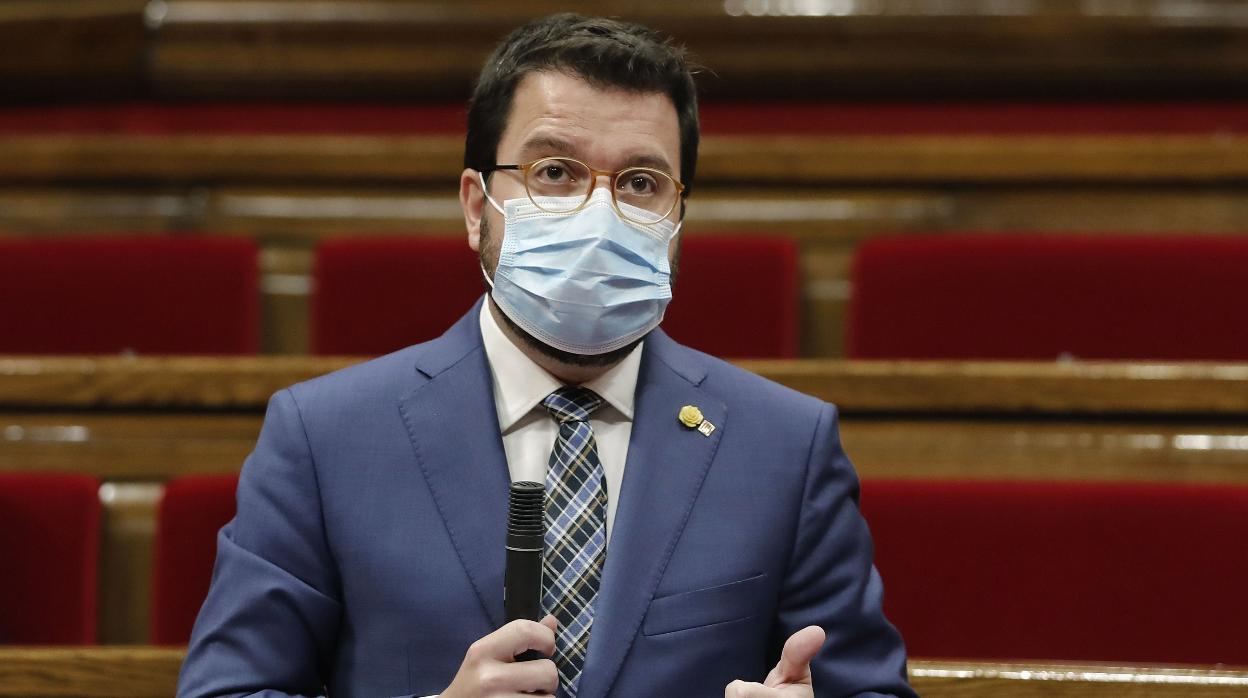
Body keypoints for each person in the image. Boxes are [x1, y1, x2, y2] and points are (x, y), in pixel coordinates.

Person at [177, 13, 915, 698]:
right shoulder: (325, 437)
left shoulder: (785, 446)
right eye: (554, 172)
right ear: (476, 205)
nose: (598, 213)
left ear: (677, 216)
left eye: (639, 183)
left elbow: (870, 687)